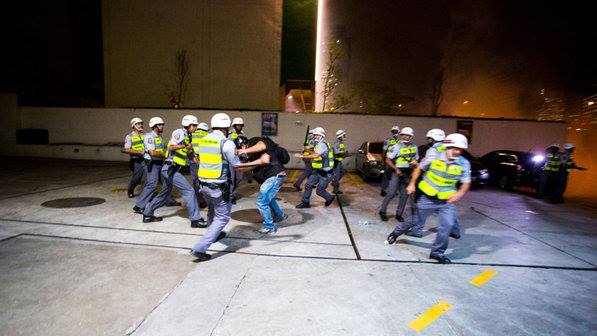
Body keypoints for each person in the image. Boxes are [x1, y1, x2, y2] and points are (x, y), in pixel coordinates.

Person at [385, 133, 471, 264]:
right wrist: (413, 184)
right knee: (414, 221)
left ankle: (437, 253)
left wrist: (459, 194)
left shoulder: (464, 163)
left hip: (446, 200)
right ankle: (395, 234)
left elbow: (466, 182)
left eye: (460, 149)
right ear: (447, 146)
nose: (458, 152)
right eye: (455, 148)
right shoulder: (434, 156)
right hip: (428, 197)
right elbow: (419, 168)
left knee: (447, 225)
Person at [190, 113, 259, 261]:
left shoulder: (204, 140)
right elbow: (237, 166)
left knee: (212, 209)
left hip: (203, 185)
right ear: (226, 128)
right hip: (218, 186)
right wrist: (259, 162)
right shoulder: (226, 142)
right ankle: (199, 248)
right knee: (222, 218)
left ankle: (213, 233)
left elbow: (205, 158)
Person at [142, 115, 205, 228]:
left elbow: (189, 154)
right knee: (189, 191)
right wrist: (185, 146)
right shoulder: (180, 132)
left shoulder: (188, 136)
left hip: (171, 169)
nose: (196, 127)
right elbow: (171, 147)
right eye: (194, 125)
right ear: (189, 125)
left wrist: (198, 160)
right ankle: (196, 220)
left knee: (164, 192)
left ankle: (147, 214)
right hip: (171, 168)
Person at [237, 137, 290, 234]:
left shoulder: (253, 142)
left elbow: (262, 148)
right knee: (269, 199)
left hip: (274, 176)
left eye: (241, 148)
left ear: (243, 145)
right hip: (275, 176)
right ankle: (280, 216)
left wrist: (243, 151)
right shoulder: (254, 154)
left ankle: (269, 226)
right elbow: (254, 165)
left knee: (261, 202)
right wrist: (238, 167)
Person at [133, 117, 180, 213]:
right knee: (152, 184)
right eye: (160, 125)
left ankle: (169, 201)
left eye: (162, 124)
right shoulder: (150, 137)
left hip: (160, 163)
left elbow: (160, 150)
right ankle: (139, 206)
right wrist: (165, 154)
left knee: (167, 182)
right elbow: (152, 153)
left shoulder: (160, 137)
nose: (162, 126)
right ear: (154, 126)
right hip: (152, 164)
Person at [379, 127, 418, 222]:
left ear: (411, 136)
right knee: (391, 193)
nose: (405, 137)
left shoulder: (414, 146)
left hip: (408, 173)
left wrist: (414, 164)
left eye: (407, 135)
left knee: (405, 195)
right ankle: (382, 211)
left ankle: (399, 214)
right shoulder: (396, 146)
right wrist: (396, 169)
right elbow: (388, 159)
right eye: (403, 135)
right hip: (397, 172)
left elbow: (416, 159)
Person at [294, 127, 335, 208]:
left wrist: (301, 155)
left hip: (325, 173)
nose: (315, 136)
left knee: (319, 191)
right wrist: (307, 150)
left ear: (322, 136)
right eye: (315, 135)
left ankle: (329, 198)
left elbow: (316, 155)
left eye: (317, 135)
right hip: (318, 171)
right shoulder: (319, 144)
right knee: (308, 185)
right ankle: (305, 203)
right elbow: (315, 152)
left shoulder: (322, 144)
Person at [122, 117, 146, 198]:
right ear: (133, 125)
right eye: (138, 124)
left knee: (149, 176)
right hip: (136, 160)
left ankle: (147, 193)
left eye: (141, 123)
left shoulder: (145, 135)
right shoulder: (129, 137)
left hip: (145, 159)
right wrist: (139, 152)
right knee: (137, 178)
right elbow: (127, 149)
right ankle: (130, 189)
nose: (141, 125)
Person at [190, 122, 210, 208]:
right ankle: (204, 200)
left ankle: (199, 200)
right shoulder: (207, 135)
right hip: (203, 160)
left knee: (196, 181)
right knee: (205, 181)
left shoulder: (192, 134)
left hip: (193, 159)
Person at [381, 125, 400, 196]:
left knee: (395, 176)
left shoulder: (400, 141)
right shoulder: (388, 140)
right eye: (393, 131)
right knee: (386, 175)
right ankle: (383, 190)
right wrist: (382, 160)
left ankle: (393, 190)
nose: (394, 132)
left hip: (397, 161)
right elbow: (384, 150)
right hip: (389, 160)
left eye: (396, 131)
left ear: (399, 132)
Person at [332, 130, 349, 194]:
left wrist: (344, 154)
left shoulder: (341, 143)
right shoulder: (337, 143)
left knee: (343, 172)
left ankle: (334, 182)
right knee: (337, 176)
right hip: (336, 161)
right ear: (340, 136)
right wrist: (345, 154)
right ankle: (335, 190)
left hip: (339, 161)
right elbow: (336, 154)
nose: (344, 136)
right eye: (343, 135)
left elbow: (341, 153)